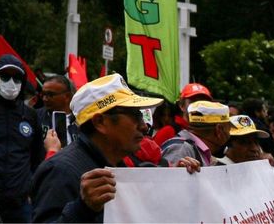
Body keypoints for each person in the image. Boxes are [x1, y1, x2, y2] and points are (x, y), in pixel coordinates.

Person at [30, 74, 198, 223]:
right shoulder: (60, 171)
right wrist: (83, 208)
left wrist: (173, 181)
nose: (144, 126)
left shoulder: (118, 164)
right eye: (134, 115)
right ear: (101, 122)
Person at [0, 56, 45, 222]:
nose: (11, 82)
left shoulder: (30, 115)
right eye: (5, 77)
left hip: (20, 204)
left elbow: (37, 157)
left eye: (16, 78)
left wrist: (30, 189)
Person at [160, 100, 232, 167]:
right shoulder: (181, 149)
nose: (230, 133)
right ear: (219, 130)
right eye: (229, 128)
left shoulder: (194, 150)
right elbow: (166, 179)